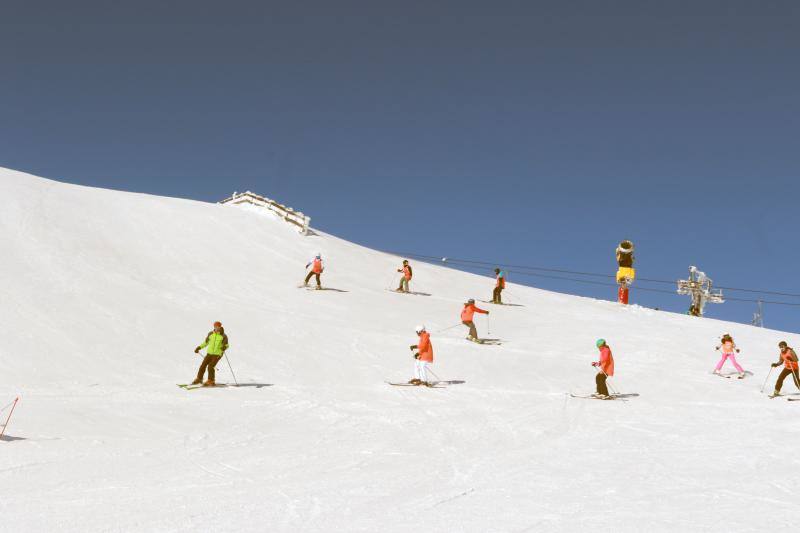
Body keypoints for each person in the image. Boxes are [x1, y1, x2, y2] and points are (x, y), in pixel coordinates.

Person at [192, 321, 229, 386]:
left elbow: (227, 345)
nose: (217, 328)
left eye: (218, 327)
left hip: (218, 354)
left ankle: (211, 380)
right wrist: (199, 347)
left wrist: (224, 347)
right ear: (214, 327)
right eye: (215, 326)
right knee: (203, 365)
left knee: (210, 366)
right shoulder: (210, 334)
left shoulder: (223, 336)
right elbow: (206, 343)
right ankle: (199, 379)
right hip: (209, 353)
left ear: (220, 327)